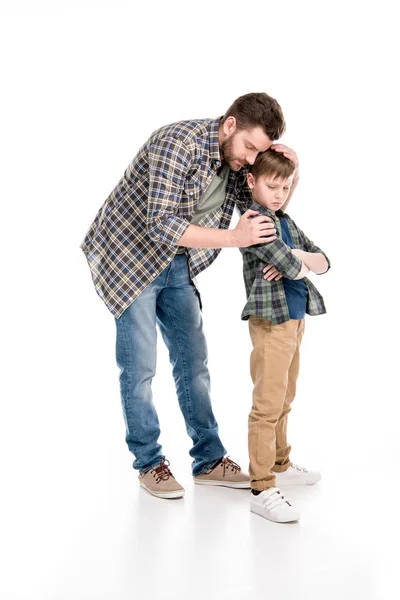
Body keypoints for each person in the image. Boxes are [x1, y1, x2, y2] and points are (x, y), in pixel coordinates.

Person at [81, 93, 299, 499]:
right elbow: (162, 224)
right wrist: (235, 238)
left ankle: (209, 459)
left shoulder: (239, 162)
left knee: (193, 362)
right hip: (130, 258)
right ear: (229, 125)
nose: (252, 159)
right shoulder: (176, 143)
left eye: (260, 153)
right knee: (140, 368)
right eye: (250, 147)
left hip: (177, 263)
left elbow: (265, 207)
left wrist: (289, 168)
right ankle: (150, 463)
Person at [240, 149, 330, 522]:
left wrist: (298, 257)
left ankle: (280, 462)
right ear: (252, 182)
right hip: (271, 322)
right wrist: (298, 260)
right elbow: (296, 266)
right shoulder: (254, 222)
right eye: (271, 185)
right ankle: (262, 485)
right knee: (267, 403)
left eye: (285, 186)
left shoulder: (285, 220)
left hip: (295, 318)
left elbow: (323, 260)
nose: (278, 193)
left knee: (285, 396)